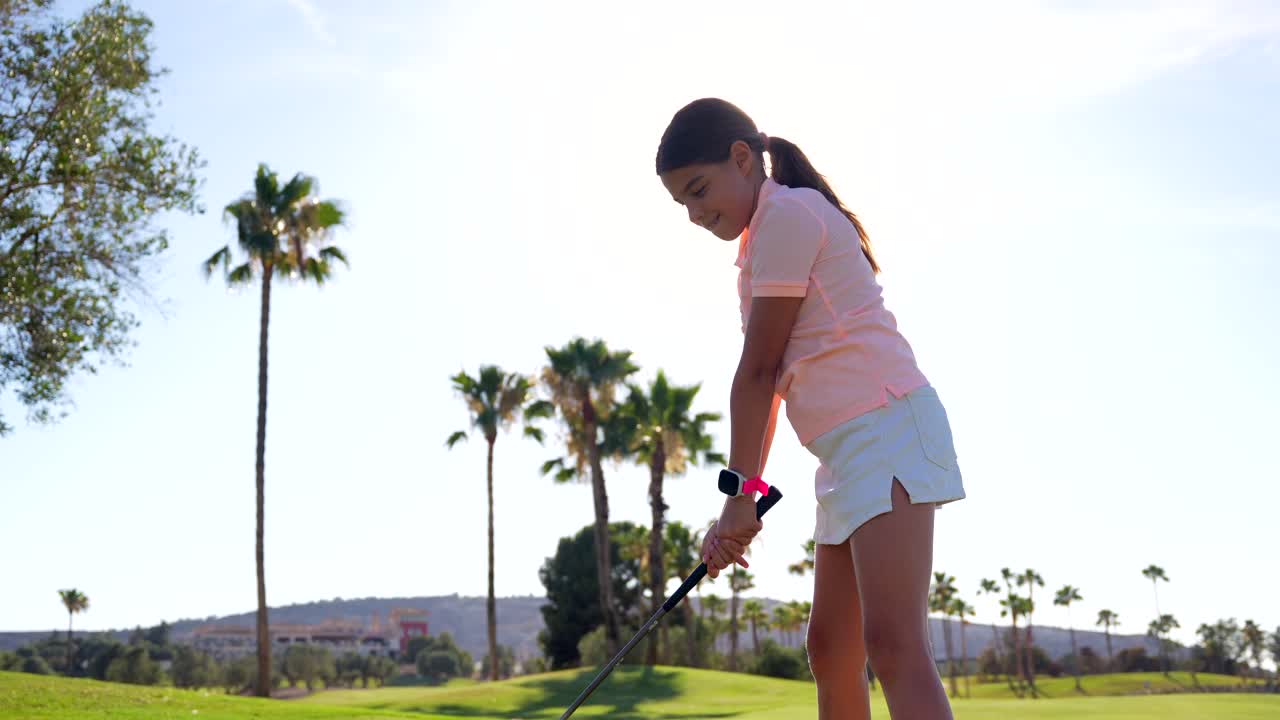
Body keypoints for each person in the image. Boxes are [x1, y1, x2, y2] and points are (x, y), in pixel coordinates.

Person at [656, 98, 965, 720]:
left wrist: (738, 499)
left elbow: (757, 373)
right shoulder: (759, 243)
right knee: (830, 649)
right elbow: (772, 385)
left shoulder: (790, 217)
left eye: (699, 189)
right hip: (847, 451)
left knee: (894, 645)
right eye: (681, 203)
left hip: (888, 427)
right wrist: (743, 495)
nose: (694, 213)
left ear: (742, 159)